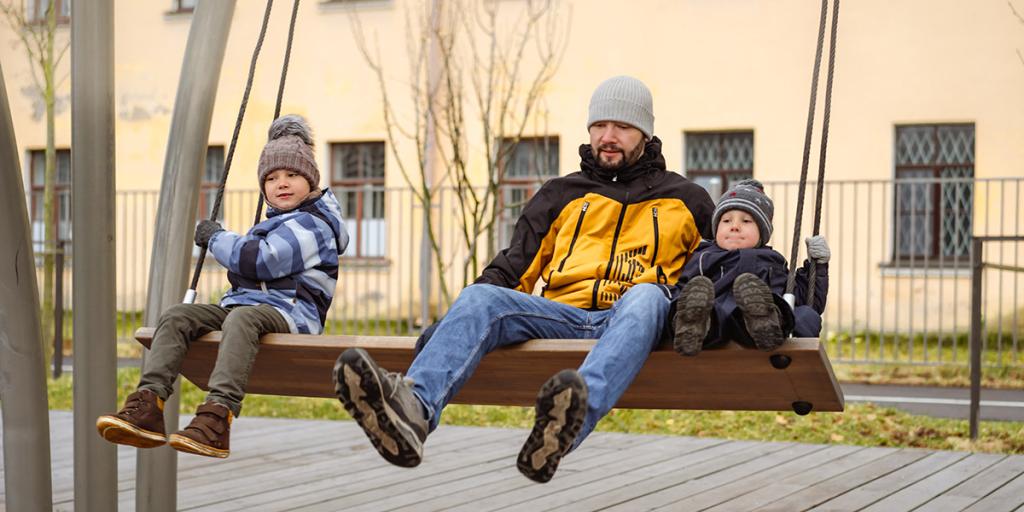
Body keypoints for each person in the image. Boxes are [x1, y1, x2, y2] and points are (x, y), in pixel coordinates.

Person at [332, 76, 715, 483]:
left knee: (648, 296)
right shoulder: (561, 193)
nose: (608, 136)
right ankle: (413, 412)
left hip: (634, 319)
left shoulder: (687, 199)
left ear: (645, 132)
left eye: (621, 127)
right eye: (599, 125)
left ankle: (565, 424)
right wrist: (456, 320)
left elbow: (717, 264)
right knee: (483, 296)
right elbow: (512, 268)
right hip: (561, 315)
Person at [96, 115, 348, 458]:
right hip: (247, 307)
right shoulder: (277, 221)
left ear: (311, 180)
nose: (281, 184)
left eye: (292, 175)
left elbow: (260, 260)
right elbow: (249, 265)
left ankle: (217, 417)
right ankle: (148, 405)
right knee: (178, 316)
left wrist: (217, 238)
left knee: (241, 319)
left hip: (293, 313)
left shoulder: (315, 224)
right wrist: (229, 244)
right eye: (271, 178)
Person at [671, 179, 830, 356]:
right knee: (697, 302)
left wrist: (817, 265)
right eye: (726, 220)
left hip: (748, 328)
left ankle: (765, 321)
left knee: (805, 314)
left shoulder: (773, 261)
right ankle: (693, 324)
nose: (734, 227)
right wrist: (683, 305)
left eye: (746, 221)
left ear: (762, 232)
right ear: (716, 228)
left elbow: (804, 299)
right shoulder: (703, 256)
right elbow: (682, 289)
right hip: (715, 321)